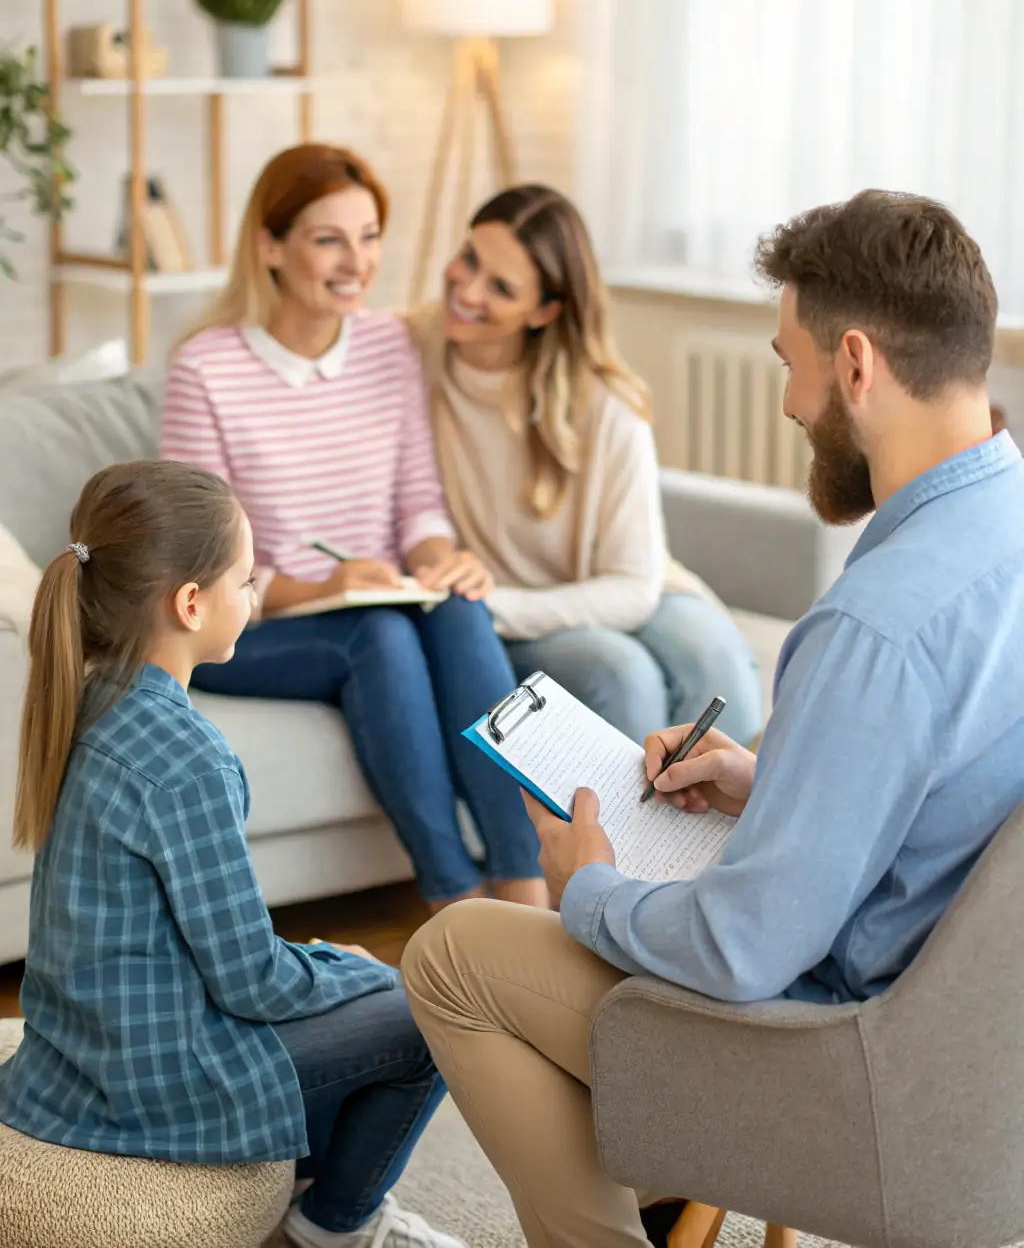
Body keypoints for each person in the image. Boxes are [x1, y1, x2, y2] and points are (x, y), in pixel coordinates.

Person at [400, 190, 1024, 1248]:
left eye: (789, 362)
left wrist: (587, 887)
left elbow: (744, 949)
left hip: (835, 1057)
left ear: (857, 365)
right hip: (969, 1054)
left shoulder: (873, 624)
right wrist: (763, 779)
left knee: (453, 955)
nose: (788, 402)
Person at [0, 459, 463, 1248]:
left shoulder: (84, 697)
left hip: (76, 1050)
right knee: (427, 1012)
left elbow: (215, 952)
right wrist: (354, 966)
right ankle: (333, 1225)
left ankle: (315, 1177)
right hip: (150, 1079)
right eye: (247, 581)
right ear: (191, 603)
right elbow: (252, 980)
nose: (255, 599)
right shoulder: (184, 756)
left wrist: (326, 966)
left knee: (347, 981)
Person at [160, 143, 544, 912]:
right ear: (270, 246)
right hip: (249, 627)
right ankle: (455, 900)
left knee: (461, 609)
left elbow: (417, 503)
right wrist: (323, 584)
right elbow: (197, 571)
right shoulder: (204, 368)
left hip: (375, 602)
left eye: (369, 236)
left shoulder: (387, 344)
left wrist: (440, 559)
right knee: (378, 634)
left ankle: (526, 887)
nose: (357, 260)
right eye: (328, 238)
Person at [409, 184, 763, 749]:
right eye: (469, 257)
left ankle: (727, 839)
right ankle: (619, 838)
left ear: (545, 310)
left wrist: (495, 605)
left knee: (713, 660)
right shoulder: (407, 349)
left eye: (500, 288)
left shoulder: (603, 403)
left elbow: (632, 587)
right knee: (619, 673)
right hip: (496, 605)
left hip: (602, 589)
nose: (467, 290)